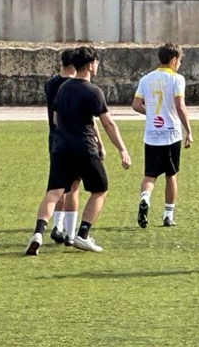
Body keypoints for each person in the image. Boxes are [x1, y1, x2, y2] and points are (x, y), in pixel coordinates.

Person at [26, 46, 131, 255]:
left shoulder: (63, 88)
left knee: (54, 192)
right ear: (91, 65)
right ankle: (83, 234)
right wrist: (122, 149)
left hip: (60, 147)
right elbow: (108, 123)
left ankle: (38, 233)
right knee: (100, 190)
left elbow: (55, 117)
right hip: (84, 147)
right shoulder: (93, 91)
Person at [132, 43, 193, 229]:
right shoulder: (177, 79)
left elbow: (135, 105)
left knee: (150, 175)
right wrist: (188, 130)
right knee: (171, 174)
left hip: (151, 134)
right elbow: (180, 106)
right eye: (180, 61)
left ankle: (145, 198)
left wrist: (151, 114)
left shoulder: (146, 78)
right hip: (170, 134)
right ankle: (168, 215)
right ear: (174, 59)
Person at [43, 49, 82, 245]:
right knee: (73, 186)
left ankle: (57, 225)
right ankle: (70, 231)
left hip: (54, 137)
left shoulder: (50, 84)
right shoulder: (75, 86)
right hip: (74, 137)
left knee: (58, 184)